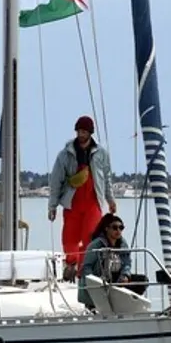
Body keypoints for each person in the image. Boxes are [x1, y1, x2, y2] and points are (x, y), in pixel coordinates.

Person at [48, 115, 117, 280]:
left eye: (84, 132)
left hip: (93, 202)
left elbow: (106, 178)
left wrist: (110, 200)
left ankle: (84, 272)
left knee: (90, 238)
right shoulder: (65, 155)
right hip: (72, 202)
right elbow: (56, 181)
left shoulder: (101, 154)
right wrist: (52, 206)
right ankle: (71, 264)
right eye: (79, 131)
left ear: (90, 133)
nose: (81, 134)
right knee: (69, 238)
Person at [78, 213, 146, 310]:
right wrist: (94, 283)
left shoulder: (123, 244)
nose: (118, 230)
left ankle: (125, 305)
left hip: (117, 280)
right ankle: (96, 305)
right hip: (101, 280)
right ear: (107, 229)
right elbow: (86, 267)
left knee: (143, 280)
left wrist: (125, 275)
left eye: (121, 228)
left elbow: (127, 263)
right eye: (115, 227)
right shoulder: (96, 245)